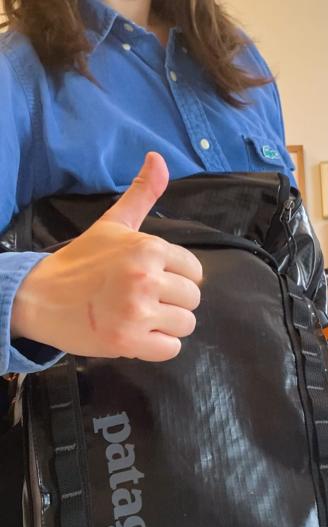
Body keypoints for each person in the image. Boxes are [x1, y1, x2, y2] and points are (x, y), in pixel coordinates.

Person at [0, 0, 296, 375]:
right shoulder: (15, 71)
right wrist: (30, 298)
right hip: (119, 423)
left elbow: (293, 258)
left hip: (289, 417)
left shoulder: (242, 59)